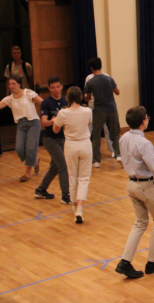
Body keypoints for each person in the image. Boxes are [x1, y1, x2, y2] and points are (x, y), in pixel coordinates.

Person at [115, 106, 154, 279]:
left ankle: (125, 261)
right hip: (146, 186)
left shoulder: (124, 137)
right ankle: (152, 261)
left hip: (131, 184)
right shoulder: (144, 143)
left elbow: (136, 157)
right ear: (144, 121)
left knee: (140, 223)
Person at [53, 87, 93, 224]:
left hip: (70, 145)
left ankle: (75, 206)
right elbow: (88, 123)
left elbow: (55, 129)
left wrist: (56, 121)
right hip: (85, 145)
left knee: (72, 176)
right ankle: (80, 207)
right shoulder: (87, 111)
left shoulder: (63, 113)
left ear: (68, 98)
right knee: (84, 177)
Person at [34, 77, 70, 204]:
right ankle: (66, 195)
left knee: (55, 166)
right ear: (49, 88)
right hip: (50, 138)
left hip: (63, 138)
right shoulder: (46, 103)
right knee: (63, 165)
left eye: (57, 87)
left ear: (61, 87)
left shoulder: (67, 100)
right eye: (52, 87)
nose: (55, 90)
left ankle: (40, 190)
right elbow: (43, 122)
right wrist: (52, 121)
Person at [0, 75, 42, 181]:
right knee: (19, 149)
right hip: (21, 125)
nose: (11, 86)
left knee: (31, 149)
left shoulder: (28, 93)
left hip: (33, 123)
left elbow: (42, 102)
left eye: (13, 83)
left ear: (19, 84)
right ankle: (35, 159)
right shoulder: (9, 99)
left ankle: (27, 173)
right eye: (9, 84)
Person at [84, 57, 121, 168]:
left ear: (91, 68)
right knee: (114, 133)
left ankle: (96, 161)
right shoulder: (109, 78)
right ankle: (118, 154)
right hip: (112, 109)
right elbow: (117, 92)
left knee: (96, 135)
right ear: (101, 65)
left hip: (99, 110)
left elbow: (88, 97)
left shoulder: (90, 82)